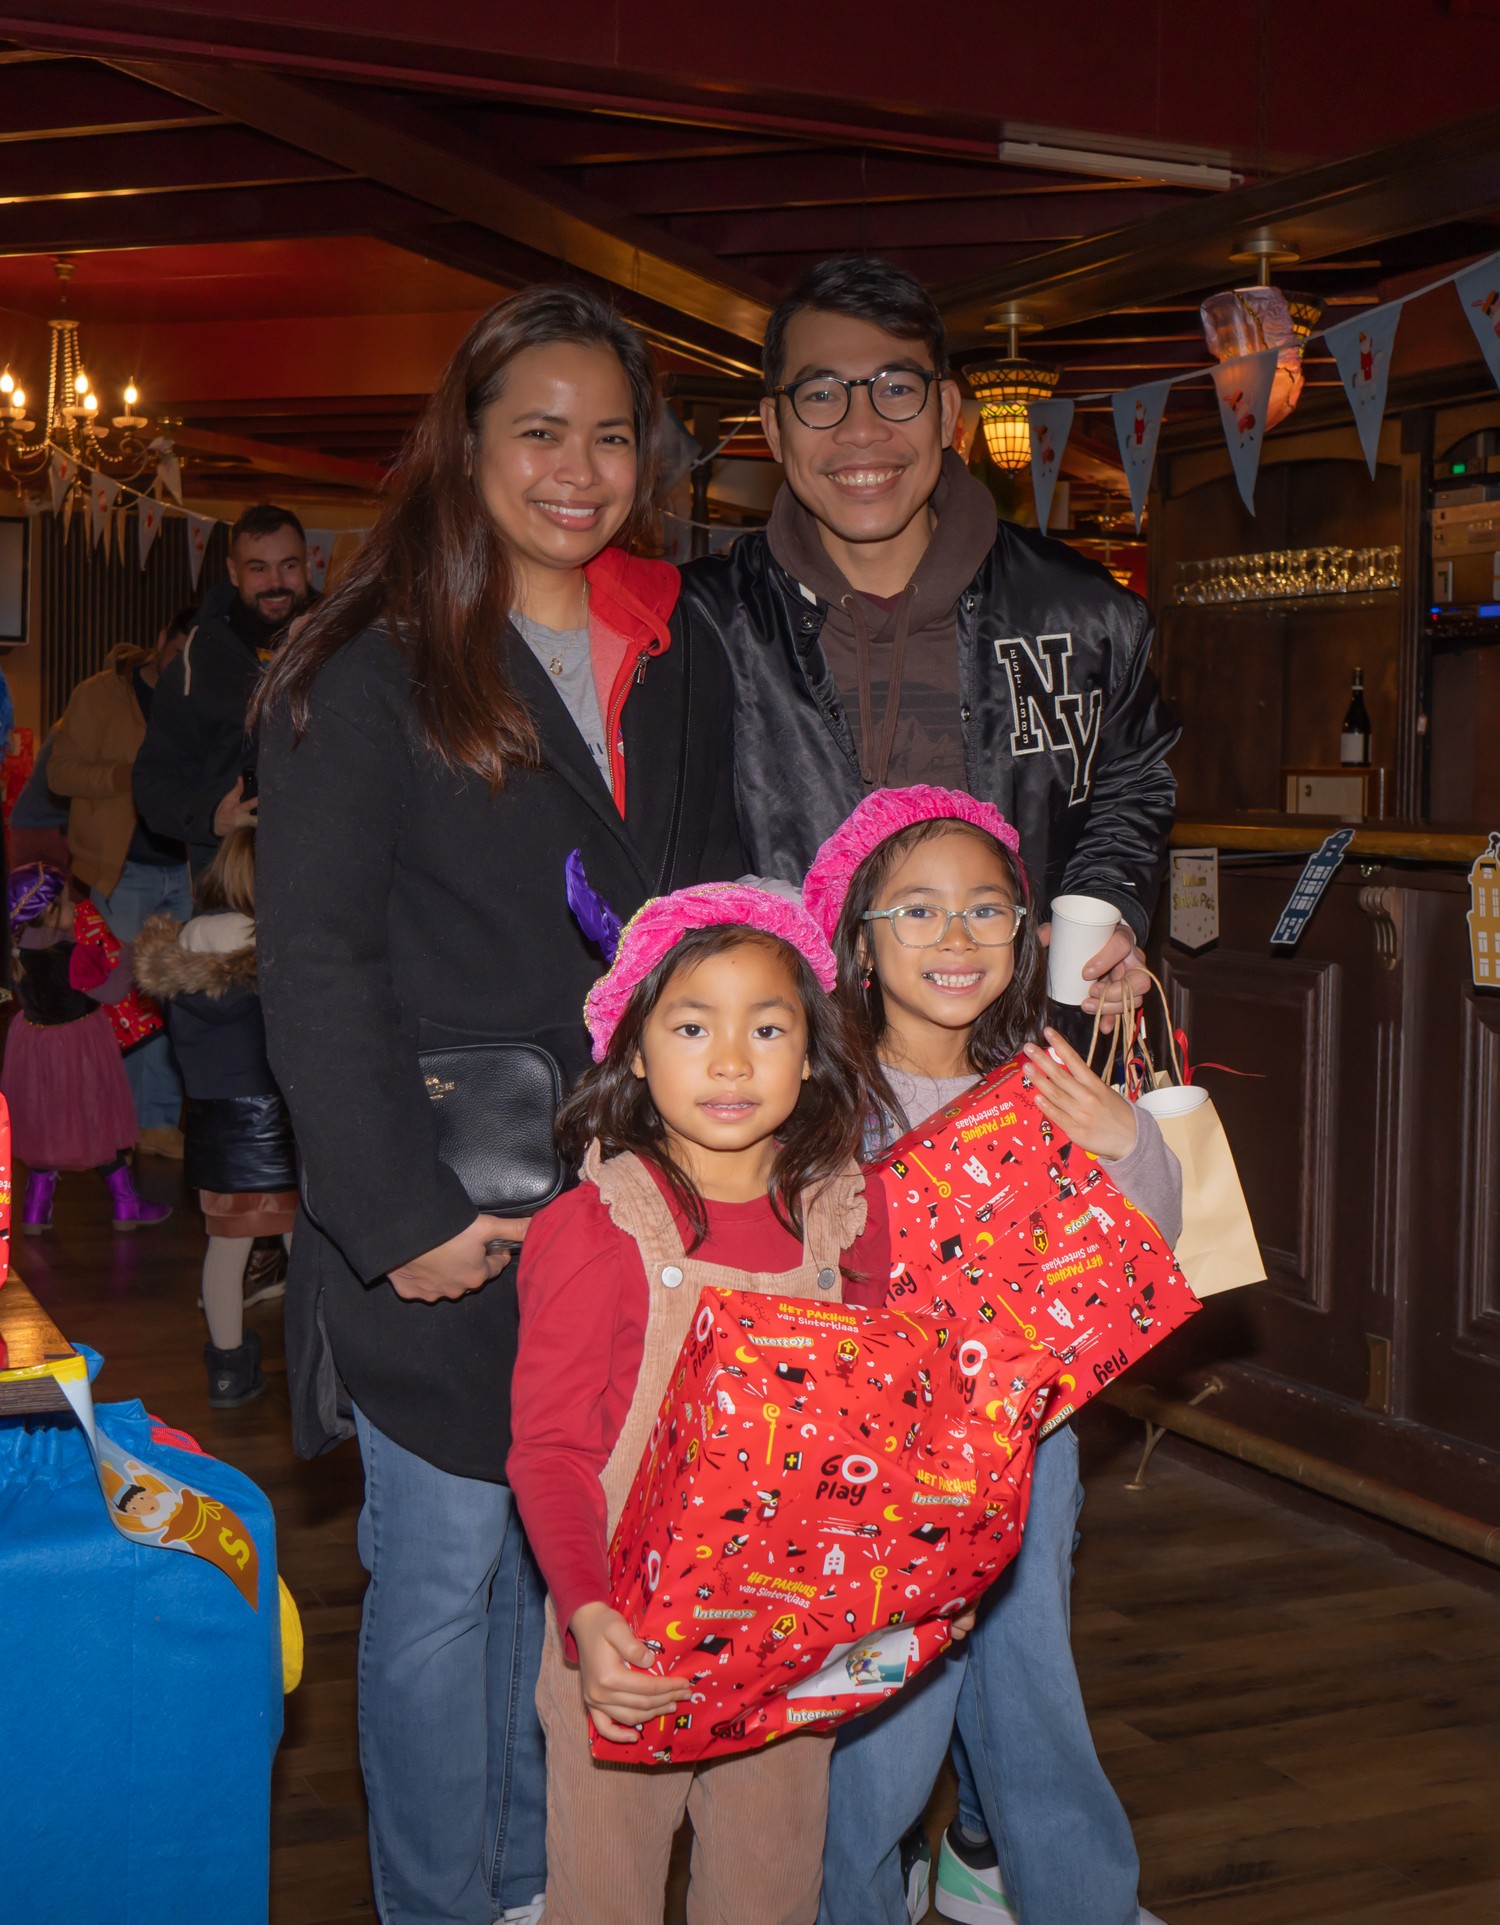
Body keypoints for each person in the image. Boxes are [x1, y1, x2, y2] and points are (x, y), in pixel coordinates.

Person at [254, 285, 743, 1925]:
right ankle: (438, 1904)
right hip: (448, 1192)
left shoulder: (678, 647)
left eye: (610, 436)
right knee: (446, 1581)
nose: (578, 469)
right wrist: (393, 1216)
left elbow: (710, 913)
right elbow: (314, 960)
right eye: (538, 431)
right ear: (465, 448)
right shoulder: (367, 664)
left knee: (571, 1568)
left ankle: (537, 1891)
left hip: (633, 1202)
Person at [802, 786, 1180, 1925]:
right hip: (873, 1469)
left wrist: (1128, 1139)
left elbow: (1143, 1250)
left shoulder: (1043, 1076)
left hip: (1031, 1448)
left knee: (1033, 1693)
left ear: (1026, 934)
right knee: (880, 1726)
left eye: (985, 908)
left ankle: (1079, 1900)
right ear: (860, 942)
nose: (955, 934)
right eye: (917, 910)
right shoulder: (820, 1097)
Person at [508, 882, 889, 1924]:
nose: (730, 1060)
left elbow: (888, 1421)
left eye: (767, 1027)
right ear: (633, 1049)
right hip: (625, 1640)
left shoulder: (847, 1218)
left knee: (771, 1890)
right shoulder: (599, 1229)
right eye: (691, 1026)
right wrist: (588, 1614)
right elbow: (550, 1450)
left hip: (789, 1636)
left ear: (810, 1052)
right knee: (606, 1895)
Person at [679, 254, 1178, 1033]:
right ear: (774, 426)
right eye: (821, 394)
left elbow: (1133, 774)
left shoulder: (1085, 613)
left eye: (896, 388)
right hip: (794, 1068)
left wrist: (1108, 904)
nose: (861, 429)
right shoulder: (700, 624)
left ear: (947, 413)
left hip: (1020, 1057)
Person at [134, 827, 297, 1410]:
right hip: (276, 1126)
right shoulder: (275, 949)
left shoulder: (180, 950)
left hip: (212, 1128)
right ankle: (324, 1368)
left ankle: (228, 1373)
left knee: (225, 1253)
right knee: (306, 1250)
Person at [50, 609, 195, 1156]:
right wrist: (127, 776)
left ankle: (156, 1123)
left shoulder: (198, 695)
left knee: (170, 1001)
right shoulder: (99, 694)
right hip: (122, 870)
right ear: (161, 640)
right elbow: (60, 773)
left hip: (183, 869)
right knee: (118, 1004)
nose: (183, 665)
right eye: (178, 652)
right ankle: (112, 1122)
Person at [133, 505, 310, 877]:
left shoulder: (341, 644)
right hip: (227, 880)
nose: (276, 582)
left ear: (307, 564)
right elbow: (153, 783)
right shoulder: (196, 661)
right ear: (233, 571)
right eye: (258, 568)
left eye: (288, 565)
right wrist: (211, 819)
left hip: (324, 876)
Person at [3, 862, 171, 1235]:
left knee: (44, 1124)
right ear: (49, 912)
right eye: (66, 903)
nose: (74, 908)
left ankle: (35, 1210)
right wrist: (129, 956)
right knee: (97, 1121)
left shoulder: (15, 955)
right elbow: (112, 992)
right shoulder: (73, 954)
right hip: (78, 1047)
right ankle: (127, 1205)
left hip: (33, 1046)